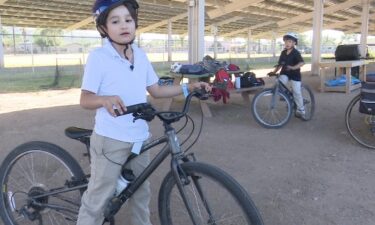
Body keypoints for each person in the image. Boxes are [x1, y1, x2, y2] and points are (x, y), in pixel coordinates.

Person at [77, 0, 211, 224]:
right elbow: (85, 99)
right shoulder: (98, 58)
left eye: (128, 20)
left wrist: (189, 87)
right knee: (98, 199)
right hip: (110, 139)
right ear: (103, 28)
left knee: (141, 193)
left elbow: (156, 90)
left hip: (139, 138)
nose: (124, 25)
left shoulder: (140, 55)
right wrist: (104, 99)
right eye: (115, 21)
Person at [271, 32, 306, 120]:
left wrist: (293, 67)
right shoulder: (283, 53)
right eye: (286, 41)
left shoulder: (296, 53)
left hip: (295, 74)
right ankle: (286, 97)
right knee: (279, 83)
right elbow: (280, 64)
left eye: (289, 41)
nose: (287, 43)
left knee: (297, 92)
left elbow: (302, 63)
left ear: (294, 43)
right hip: (285, 72)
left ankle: (301, 110)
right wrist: (273, 72)